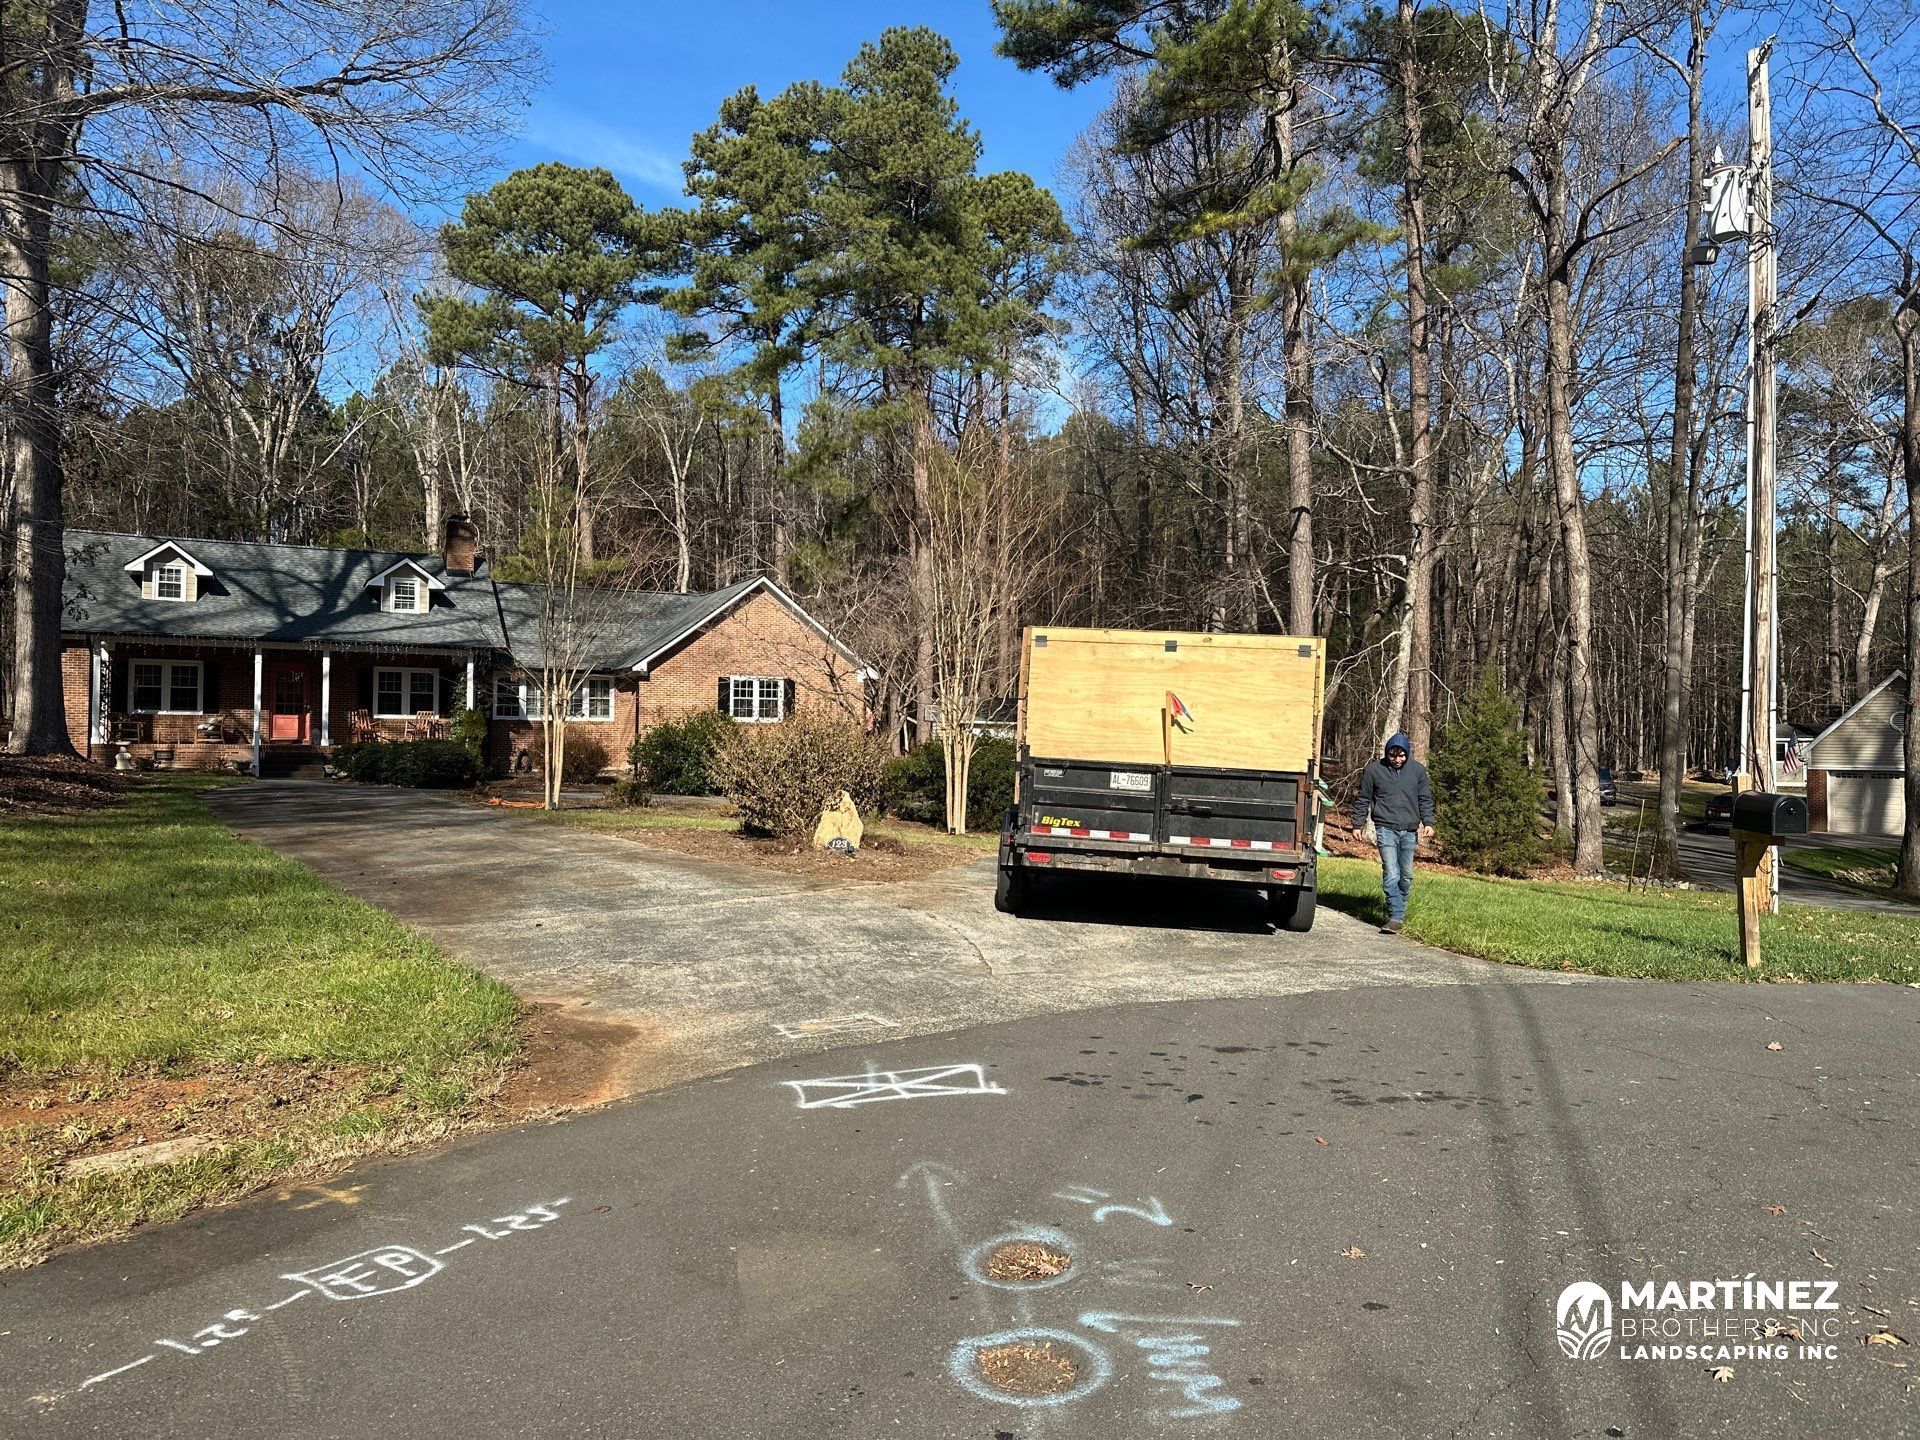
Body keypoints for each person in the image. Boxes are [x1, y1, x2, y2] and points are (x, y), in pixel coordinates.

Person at [1353, 731, 1435, 935]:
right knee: (1391, 872)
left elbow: (1425, 798)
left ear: (1407, 753)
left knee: (1406, 876)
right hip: (1385, 828)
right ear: (1387, 753)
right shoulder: (1373, 770)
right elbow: (1363, 798)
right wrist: (1357, 824)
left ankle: (1399, 909)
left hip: (1409, 830)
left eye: (1401, 755)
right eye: (1392, 755)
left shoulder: (1417, 771)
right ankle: (1396, 916)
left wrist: (1428, 822)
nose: (1397, 759)